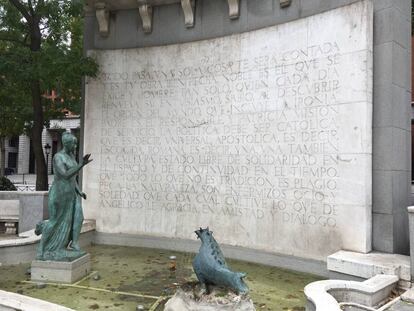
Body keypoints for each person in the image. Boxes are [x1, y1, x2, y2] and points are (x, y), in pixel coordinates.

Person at [35, 132, 92, 261]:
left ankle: (72, 243)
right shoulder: (58, 157)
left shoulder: (71, 156)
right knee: (54, 222)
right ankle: (41, 249)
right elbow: (65, 175)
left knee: (79, 217)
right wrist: (81, 164)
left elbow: (72, 178)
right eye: (74, 143)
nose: (76, 146)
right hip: (59, 194)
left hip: (71, 193)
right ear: (67, 144)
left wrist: (79, 191)